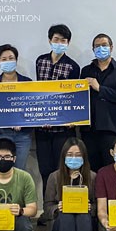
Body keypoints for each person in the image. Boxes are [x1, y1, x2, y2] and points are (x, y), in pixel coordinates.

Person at [35, 24, 81, 206]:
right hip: (42, 128)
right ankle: (48, 209)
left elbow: (74, 98)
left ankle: (64, 206)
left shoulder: (73, 66)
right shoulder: (40, 61)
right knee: (45, 170)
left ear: (68, 43)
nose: (59, 43)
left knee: (62, 169)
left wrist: (73, 120)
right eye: (56, 40)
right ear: (49, 40)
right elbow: (38, 91)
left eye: (63, 40)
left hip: (63, 129)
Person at [80, 34, 116, 170]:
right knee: (92, 170)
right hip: (89, 129)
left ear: (111, 47)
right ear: (93, 49)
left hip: (112, 128)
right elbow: (80, 98)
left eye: (104, 45)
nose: (101, 48)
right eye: (97, 46)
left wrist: (100, 88)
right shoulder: (86, 70)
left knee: (111, 169)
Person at [44, 137, 97, 231]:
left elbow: (100, 205)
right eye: (70, 155)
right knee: (66, 213)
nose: (74, 158)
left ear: (84, 157)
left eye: (78, 155)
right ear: (63, 157)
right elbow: (47, 207)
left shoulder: (92, 177)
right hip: (61, 225)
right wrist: (57, 208)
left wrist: (92, 208)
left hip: (86, 225)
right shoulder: (54, 177)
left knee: (83, 214)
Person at [0, 44, 33, 170]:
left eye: (11, 58)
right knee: (0, 170)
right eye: (4, 59)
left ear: (16, 60)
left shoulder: (27, 82)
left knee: (19, 171)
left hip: (22, 136)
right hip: (0, 134)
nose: (8, 61)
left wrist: (23, 122)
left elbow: (32, 109)